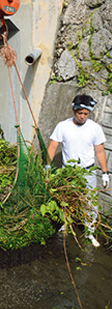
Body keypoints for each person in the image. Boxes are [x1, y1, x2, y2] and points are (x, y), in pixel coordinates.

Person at [46, 94, 109, 246]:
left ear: (89, 113)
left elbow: (100, 151)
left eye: (85, 114)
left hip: (87, 172)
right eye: (79, 113)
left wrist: (105, 173)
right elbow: (53, 146)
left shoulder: (94, 128)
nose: (82, 116)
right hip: (69, 171)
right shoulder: (63, 126)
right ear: (74, 111)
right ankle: (65, 224)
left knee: (89, 202)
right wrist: (47, 166)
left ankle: (89, 231)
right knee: (66, 199)